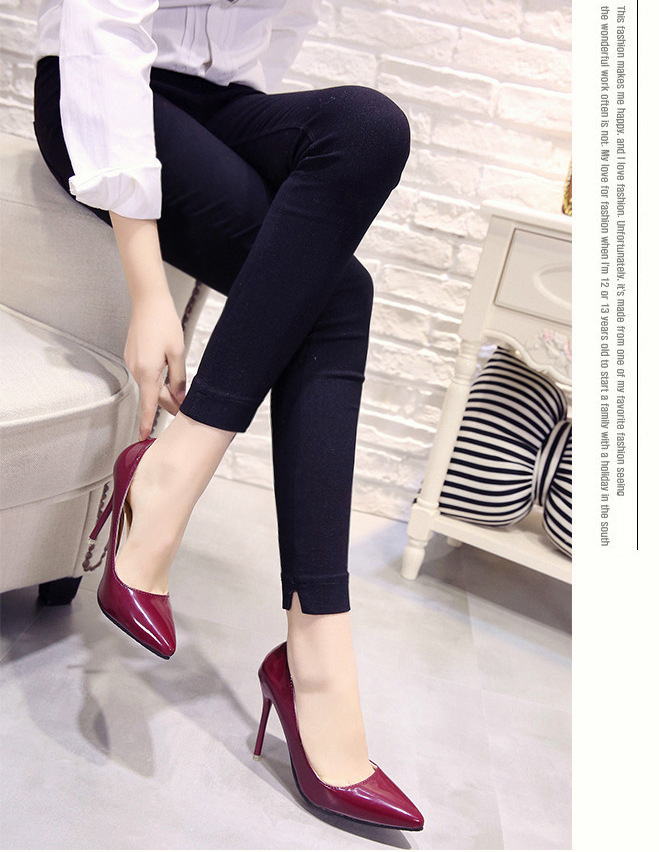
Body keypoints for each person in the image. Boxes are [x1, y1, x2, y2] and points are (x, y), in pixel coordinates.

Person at [32, 0, 423, 832]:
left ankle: (170, 473)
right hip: (98, 87)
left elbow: (272, 37)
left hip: (219, 108)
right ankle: (317, 660)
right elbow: (99, 27)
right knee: (341, 294)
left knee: (369, 128)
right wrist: (149, 290)